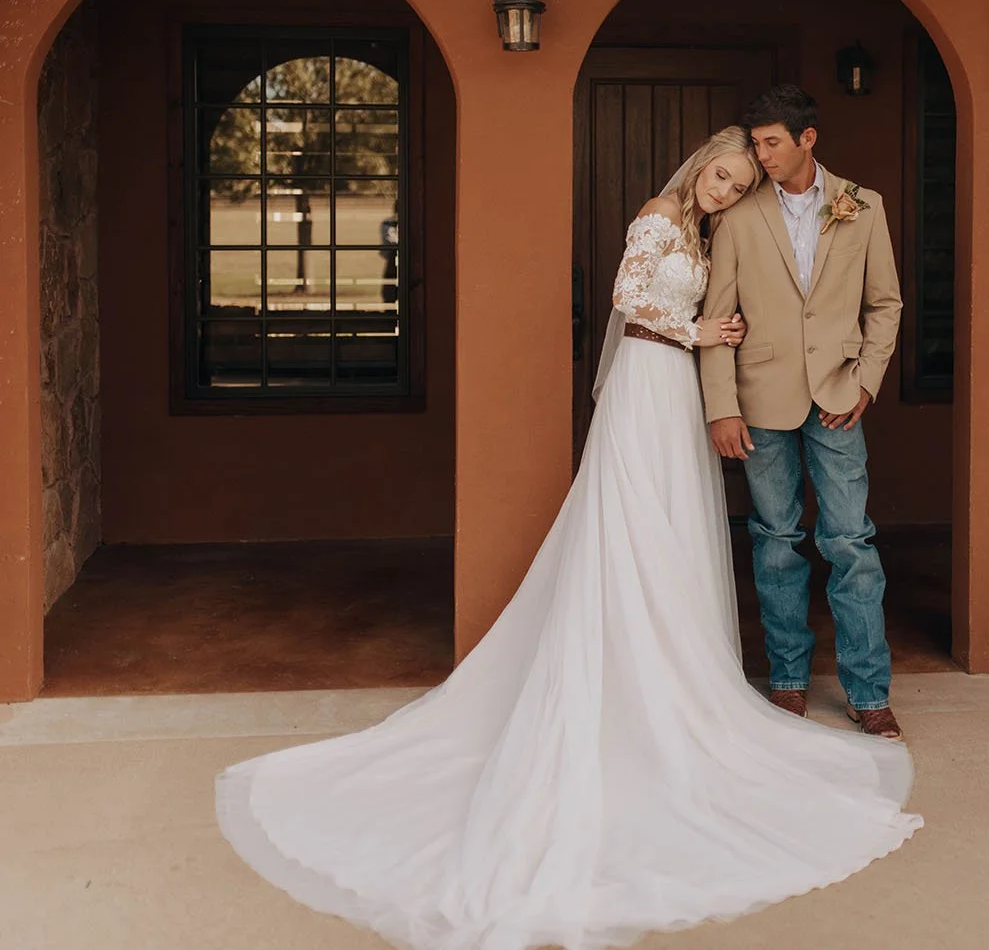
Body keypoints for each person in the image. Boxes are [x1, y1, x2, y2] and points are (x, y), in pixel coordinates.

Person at [215, 125, 922, 950]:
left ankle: (674, 669)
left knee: (677, 529)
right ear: (700, 165)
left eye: (737, 183)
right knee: (631, 521)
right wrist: (698, 335)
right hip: (647, 386)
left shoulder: (710, 229)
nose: (727, 190)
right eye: (722, 176)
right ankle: (626, 680)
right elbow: (630, 297)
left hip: (677, 397)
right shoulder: (661, 214)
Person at [701, 86, 905, 740]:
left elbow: (885, 304)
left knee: (851, 543)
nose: (760, 156)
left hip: (840, 398)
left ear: (806, 139)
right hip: (760, 402)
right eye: (754, 144)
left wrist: (867, 380)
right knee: (776, 541)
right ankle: (788, 680)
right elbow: (718, 317)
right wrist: (722, 407)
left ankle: (868, 691)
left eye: (770, 143)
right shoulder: (737, 216)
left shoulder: (864, 206)